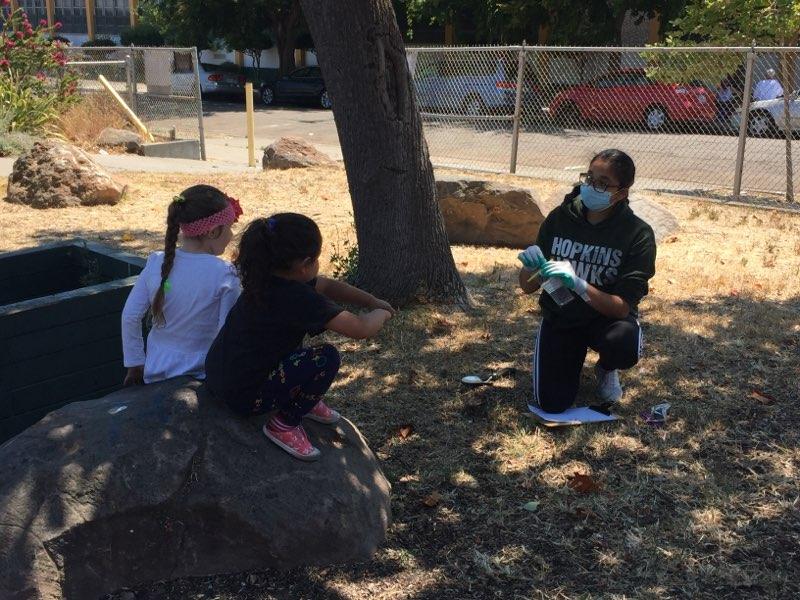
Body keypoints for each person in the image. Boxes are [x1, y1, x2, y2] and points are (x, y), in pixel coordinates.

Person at [205, 213, 394, 461]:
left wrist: (371, 300)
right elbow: (359, 328)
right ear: (304, 264)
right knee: (326, 358)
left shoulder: (263, 279)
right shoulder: (298, 298)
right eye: (316, 259)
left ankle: (298, 395)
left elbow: (325, 285)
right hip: (246, 398)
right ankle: (284, 424)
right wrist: (381, 312)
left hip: (219, 378)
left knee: (289, 346)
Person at [518, 149, 656, 414]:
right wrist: (529, 267)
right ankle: (567, 358)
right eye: (589, 178)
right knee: (552, 404)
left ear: (621, 193)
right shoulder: (560, 219)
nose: (592, 186)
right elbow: (528, 286)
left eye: (603, 183)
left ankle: (606, 367)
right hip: (562, 318)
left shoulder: (637, 234)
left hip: (605, 321)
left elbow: (621, 308)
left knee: (624, 342)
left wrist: (578, 284)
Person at [121, 185, 242, 386]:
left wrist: (135, 363)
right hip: (201, 373)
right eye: (230, 227)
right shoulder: (225, 275)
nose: (232, 235)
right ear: (213, 231)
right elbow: (226, 334)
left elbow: (130, 316)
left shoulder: (156, 262)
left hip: (154, 370)